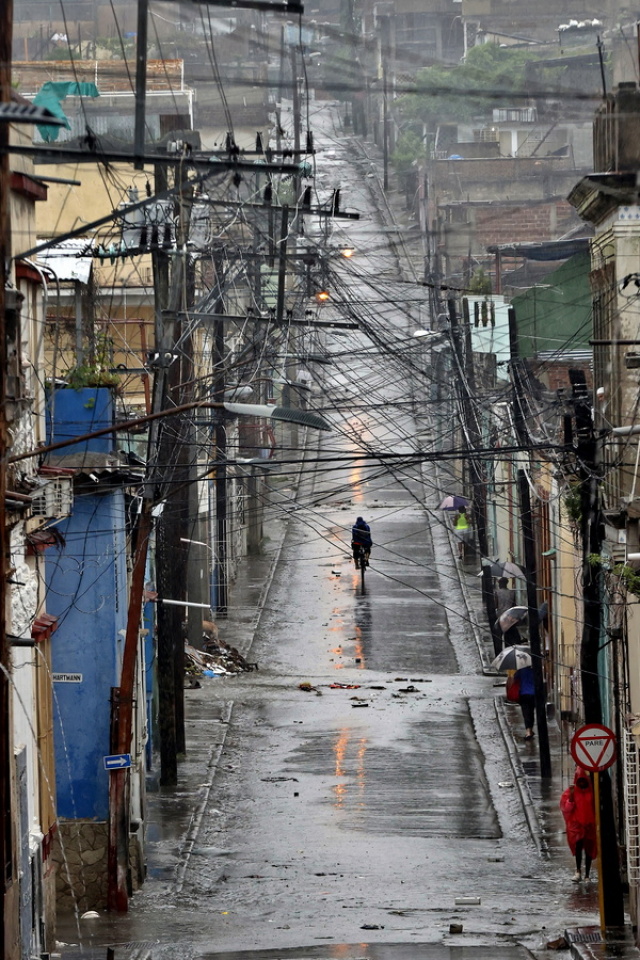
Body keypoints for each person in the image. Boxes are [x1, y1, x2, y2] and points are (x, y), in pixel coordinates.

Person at [560, 767, 597, 882]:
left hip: (590, 826)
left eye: (583, 780)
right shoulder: (571, 792)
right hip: (577, 826)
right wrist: (571, 799)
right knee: (578, 848)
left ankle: (587, 874)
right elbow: (566, 809)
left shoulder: (592, 791)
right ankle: (578, 870)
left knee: (589, 850)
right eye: (579, 780)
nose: (582, 783)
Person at [515, 664, 535, 740]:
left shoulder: (521, 671)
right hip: (533, 694)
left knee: (526, 712)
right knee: (531, 712)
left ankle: (528, 730)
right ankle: (530, 729)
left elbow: (515, 678)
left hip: (523, 694)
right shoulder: (534, 671)